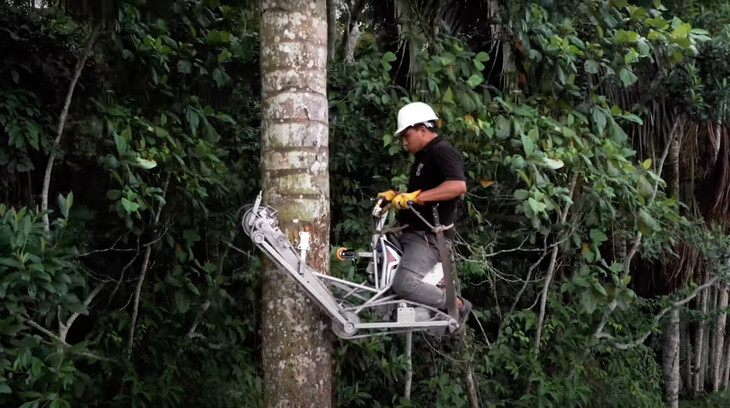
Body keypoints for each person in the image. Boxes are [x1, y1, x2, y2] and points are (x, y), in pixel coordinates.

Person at [378, 102, 472, 326]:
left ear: (422, 129)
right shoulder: (423, 157)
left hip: (428, 239)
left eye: (406, 135)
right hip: (412, 235)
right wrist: (397, 195)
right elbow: (426, 192)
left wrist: (414, 197)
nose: (404, 141)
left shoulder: (442, 152)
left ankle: (455, 305)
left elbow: (457, 186)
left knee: (405, 283)